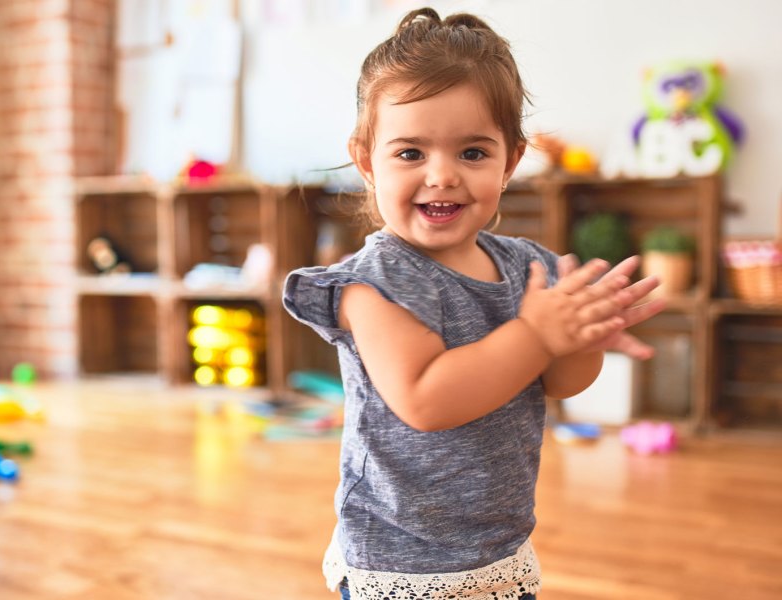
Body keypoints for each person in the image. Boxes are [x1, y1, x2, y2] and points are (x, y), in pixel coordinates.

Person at [283, 8, 666, 599]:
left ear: (510, 162)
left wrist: (579, 341)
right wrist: (536, 336)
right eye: (411, 153)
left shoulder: (527, 267)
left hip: (498, 546)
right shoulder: (374, 281)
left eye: (472, 153)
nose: (442, 175)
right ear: (366, 160)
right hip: (400, 556)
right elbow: (425, 400)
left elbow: (558, 382)